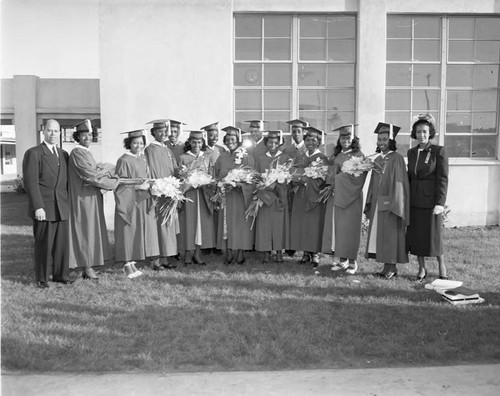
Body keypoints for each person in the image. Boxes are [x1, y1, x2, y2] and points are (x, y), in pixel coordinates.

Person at [68, 119, 121, 280]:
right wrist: (114, 181)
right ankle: (87, 266)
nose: (87, 138)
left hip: (90, 197)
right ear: (77, 137)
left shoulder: (86, 152)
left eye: (90, 135)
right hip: (82, 199)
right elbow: (91, 175)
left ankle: (87, 264)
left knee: (91, 230)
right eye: (83, 135)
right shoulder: (77, 152)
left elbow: (95, 169)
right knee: (85, 231)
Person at [22, 119, 72, 288]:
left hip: (61, 207)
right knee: (44, 245)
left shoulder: (64, 154)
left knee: (61, 245)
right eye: (49, 131)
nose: (53, 134)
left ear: (60, 133)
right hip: (44, 207)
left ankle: (61, 275)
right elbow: (31, 183)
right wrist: (38, 206)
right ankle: (42, 278)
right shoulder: (34, 153)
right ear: (43, 132)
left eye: (56, 131)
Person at [406, 113, 449, 281]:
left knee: (434, 236)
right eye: (418, 132)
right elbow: (409, 177)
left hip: (431, 202)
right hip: (414, 200)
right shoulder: (411, 152)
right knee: (417, 236)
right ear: (414, 133)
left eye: (424, 132)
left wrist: (440, 202)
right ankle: (422, 268)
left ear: (430, 132)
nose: (421, 135)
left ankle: (441, 266)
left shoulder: (439, 151)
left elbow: (443, 178)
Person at [364, 123, 410, 278]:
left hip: (390, 203)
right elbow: (372, 182)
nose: (381, 142)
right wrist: (370, 199)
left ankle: (392, 266)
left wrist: (395, 203)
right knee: (381, 234)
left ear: (391, 141)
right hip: (378, 202)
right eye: (379, 140)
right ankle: (386, 266)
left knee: (390, 234)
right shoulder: (377, 158)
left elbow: (399, 182)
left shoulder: (396, 158)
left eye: (384, 139)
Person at [114, 129, 159, 279]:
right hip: (128, 202)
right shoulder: (124, 160)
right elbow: (120, 183)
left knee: (136, 232)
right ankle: (127, 264)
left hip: (140, 201)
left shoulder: (141, 159)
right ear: (129, 144)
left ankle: (132, 262)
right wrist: (139, 187)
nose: (138, 146)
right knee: (127, 231)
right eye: (135, 143)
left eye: (141, 143)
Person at [324, 124, 367, 275]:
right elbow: (331, 173)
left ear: (353, 138)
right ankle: (343, 260)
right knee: (339, 229)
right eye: (343, 137)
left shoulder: (359, 155)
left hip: (352, 198)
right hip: (337, 196)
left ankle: (353, 261)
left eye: (348, 137)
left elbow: (359, 178)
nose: (345, 140)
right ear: (339, 139)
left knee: (350, 229)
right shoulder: (337, 155)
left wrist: (337, 179)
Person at [215, 126, 255, 264]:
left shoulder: (246, 157)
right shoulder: (222, 157)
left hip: (240, 196)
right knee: (227, 224)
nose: (230, 141)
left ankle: (240, 252)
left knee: (240, 224)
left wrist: (239, 185)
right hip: (227, 196)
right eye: (227, 139)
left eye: (233, 139)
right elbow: (217, 176)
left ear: (238, 141)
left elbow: (252, 178)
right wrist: (221, 185)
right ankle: (228, 252)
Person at [289, 126, 328, 267]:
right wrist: (299, 178)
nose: (310, 142)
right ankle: (305, 253)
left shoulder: (322, 158)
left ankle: (315, 254)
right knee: (303, 224)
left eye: (314, 140)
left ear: (318, 142)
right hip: (301, 194)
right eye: (308, 139)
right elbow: (293, 172)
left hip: (315, 196)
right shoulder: (300, 155)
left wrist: (307, 180)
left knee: (314, 225)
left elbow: (323, 178)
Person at [144, 119, 179, 270]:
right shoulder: (150, 149)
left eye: (165, 131)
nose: (163, 133)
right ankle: (155, 260)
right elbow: (151, 171)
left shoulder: (168, 149)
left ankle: (166, 257)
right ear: (153, 133)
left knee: (167, 225)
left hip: (169, 192)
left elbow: (174, 169)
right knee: (156, 226)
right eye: (159, 131)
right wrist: (158, 187)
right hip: (158, 193)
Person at [178, 130, 216, 265]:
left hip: (203, 194)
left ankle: (197, 253)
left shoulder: (206, 157)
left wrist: (207, 182)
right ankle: (188, 253)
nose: (196, 145)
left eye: (199, 142)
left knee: (201, 224)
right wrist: (189, 183)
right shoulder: (183, 158)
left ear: (202, 143)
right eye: (194, 142)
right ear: (189, 142)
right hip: (189, 194)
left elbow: (211, 175)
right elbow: (180, 177)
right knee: (189, 223)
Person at [254, 130, 291, 264]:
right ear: (266, 143)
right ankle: (266, 252)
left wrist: (277, 183)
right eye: (270, 141)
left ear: (280, 143)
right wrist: (264, 185)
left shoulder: (285, 158)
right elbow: (257, 177)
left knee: (279, 224)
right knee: (265, 224)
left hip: (279, 196)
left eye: (276, 141)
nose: (273, 144)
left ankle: (279, 251)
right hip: (265, 196)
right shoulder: (261, 158)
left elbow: (288, 176)